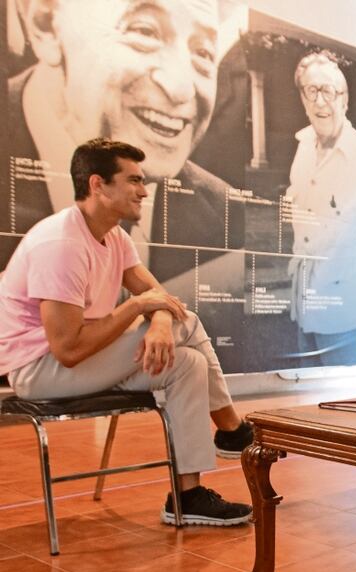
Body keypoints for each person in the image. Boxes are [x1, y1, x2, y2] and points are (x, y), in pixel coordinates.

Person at [0, 139, 254, 527]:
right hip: (41, 370)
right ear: (98, 184)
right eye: (133, 180)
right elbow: (67, 349)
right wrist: (137, 307)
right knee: (189, 327)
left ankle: (187, 496)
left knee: (186, 362)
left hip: (83, 359)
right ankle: (233, 431)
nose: (144, 189)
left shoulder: (115, 236)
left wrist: (162, 322)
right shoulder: (61, 244)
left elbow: (159, 297)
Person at [7, 0, 240, 286]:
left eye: (203, 52)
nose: (181, 88)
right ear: (46, 25)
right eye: (145, 31)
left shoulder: (227, 212)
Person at [284, 51, 356, 365]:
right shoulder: (303, 146)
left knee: (345, 405)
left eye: (329, 91)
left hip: (346, 312)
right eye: (311, 91)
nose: (321, 102)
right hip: (305, 306)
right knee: (305, 403)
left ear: (344, 100)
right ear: (303, 100)